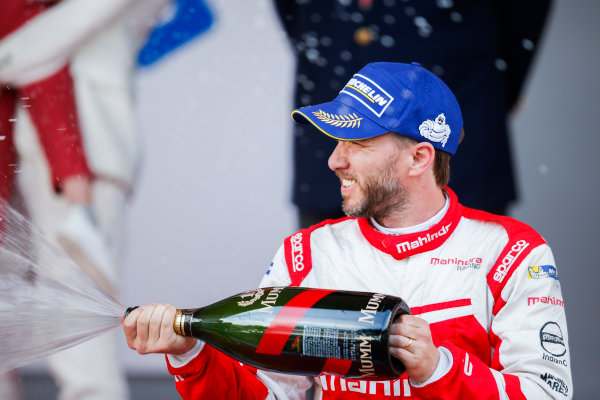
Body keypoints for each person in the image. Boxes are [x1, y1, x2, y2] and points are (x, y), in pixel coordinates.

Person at [123, 62, 572, 399]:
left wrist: (440, 369)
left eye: (357, 143)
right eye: (337, 142)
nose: (336, 160)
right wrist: (191, 354)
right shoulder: (307, 253)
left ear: (419, 158)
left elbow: (548, 393)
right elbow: (270, 395)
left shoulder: (512, 252)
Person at [273, 0, 553, 227]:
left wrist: (485, 96)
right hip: (324, 151)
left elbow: (523, 16)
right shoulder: (334, 160)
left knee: (462, 291)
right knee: (324, 292)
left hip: (458, 155)